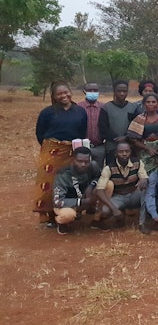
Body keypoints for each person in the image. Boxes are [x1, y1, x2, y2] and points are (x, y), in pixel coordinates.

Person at [35, 82, 89, 221]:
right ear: (54, 96)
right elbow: (40, 133)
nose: (64, 96)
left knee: (70, 180)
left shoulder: (80, 111)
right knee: (48, 181)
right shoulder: (47, 112)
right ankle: (48, 213)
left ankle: (71, 208)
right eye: (59, 94)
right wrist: (52, 147)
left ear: (70, 92)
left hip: (72, 149)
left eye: (66, 92)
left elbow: (82, 132)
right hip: (51, 150)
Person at [94, 142, 148, 231]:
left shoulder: (137, 163)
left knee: (147, 189)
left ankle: (142, 223)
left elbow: (144, 177)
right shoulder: (108, 168)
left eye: (127, 151)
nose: (124, 154)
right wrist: (114, 209)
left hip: (134, 194)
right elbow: (99, 190)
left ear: (131, 152)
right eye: (121, 152)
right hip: (118, 197)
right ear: (116, 154)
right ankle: (116, 218)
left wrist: (144, 179)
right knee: (105, 211)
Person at [52, 147, 100, 235]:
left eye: (86, 161)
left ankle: (98, 219)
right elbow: (57, 201)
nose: (83, 164)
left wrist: (91, 186)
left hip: (86, 198)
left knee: (107, 185)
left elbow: (99, 177)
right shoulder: (63, 174)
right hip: (68, 204)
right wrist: (81, 201)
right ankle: (61, 223)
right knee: (68, 215)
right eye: (79, 161)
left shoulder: (92, 166)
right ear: (73, 159)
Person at [99, 80, 140, 165]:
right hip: (112, 146)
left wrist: (126, 137)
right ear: (114, 91)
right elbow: (102, 127)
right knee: (112, 170)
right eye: (119, 91)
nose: (122, 93)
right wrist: (115, 138)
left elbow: (136, 127)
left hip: (129, 146)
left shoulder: (133, 107)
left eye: (124, 91)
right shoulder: (106, 108)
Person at [127, 92, 158, 174]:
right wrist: (147, 148)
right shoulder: (139, 119)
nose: (151, 104)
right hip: (145, 152)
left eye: (153, 102)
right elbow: (132, 139)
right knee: (146, 175)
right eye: (148, 102)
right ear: (144, 104)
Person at [77, 81, 105, 165]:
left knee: (97, 171)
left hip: (99, 147)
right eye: (90, 90)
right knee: (82, 171)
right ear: (84, 91)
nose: (93, 92)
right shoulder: (78, 107)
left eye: (95, 90)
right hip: (82, 147)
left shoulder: (103, 107)